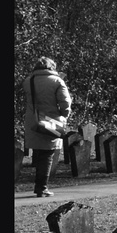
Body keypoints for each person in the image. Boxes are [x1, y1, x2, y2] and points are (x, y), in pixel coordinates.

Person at [21, 56, 72, 198]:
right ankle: (41, 187)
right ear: (52, 67)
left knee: (39, 154)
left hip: (33, 121)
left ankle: (39, 185)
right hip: (51, 121)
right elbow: (65, 103)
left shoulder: (28, 81)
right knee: (47, 155)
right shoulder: (57, 81)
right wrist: (63, 116)